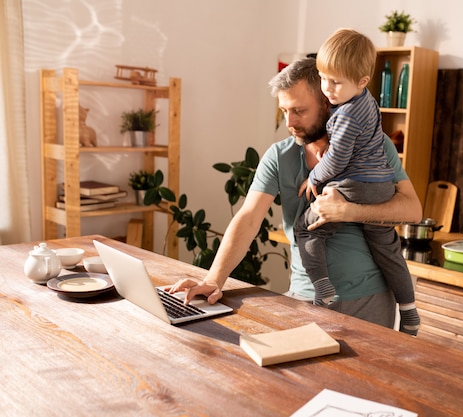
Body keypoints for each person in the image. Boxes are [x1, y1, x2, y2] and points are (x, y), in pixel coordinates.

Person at [167, 57, 423, 330]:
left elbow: (412, 209)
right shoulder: (280, 156)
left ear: (327, 103)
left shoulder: (374, 143)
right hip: (305, 296)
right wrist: (213, 280)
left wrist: (350, 212)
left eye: (299, 111)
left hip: (369, 299)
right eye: (284, 111)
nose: (290, 122)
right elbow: (249, 218)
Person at [295, 29, 420, 335]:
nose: (327, 88)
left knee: (307, 229)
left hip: (356, 186)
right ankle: (409, 311)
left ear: (363, 81)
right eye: (324, 78)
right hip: (381, 185)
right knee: (387, 249)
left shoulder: (345, 116)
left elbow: (337, 160)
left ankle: (323, 289)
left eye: (335, 82)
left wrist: (315, 176)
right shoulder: (368, 102)